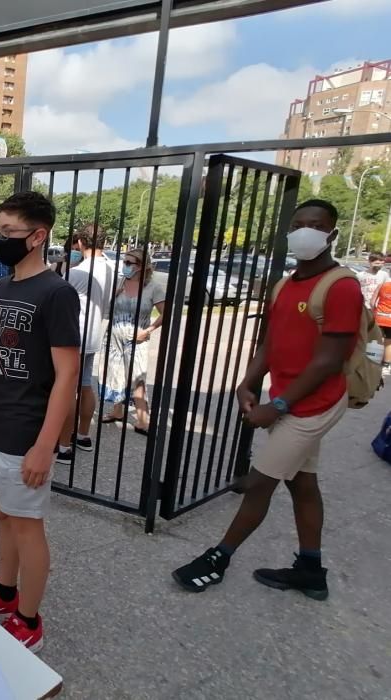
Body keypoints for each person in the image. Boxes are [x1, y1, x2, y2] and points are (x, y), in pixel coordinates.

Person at [172, 199, 361, 601]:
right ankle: (311, 569)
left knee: (259, 483)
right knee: (302, 484)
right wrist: (249, 382)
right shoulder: (285, 284)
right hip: (290, 399)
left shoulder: (341, 286)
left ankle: (217, 559)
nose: (305, 231)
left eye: (316, 225)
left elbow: (330, 360)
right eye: (299, 224)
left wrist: (277, 407)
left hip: (315, 404)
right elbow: (271, 342)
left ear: (332, 234)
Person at [0, 192, 81, 652]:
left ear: (38, 236)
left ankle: (28, 619)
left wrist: (45, 445)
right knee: (3, 514)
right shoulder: (3, 286)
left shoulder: (56, 293)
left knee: (28, 526)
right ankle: (5, 591)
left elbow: (67, 374)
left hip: (27, 433)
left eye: (9, 233)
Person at [55, 224, 115, 462]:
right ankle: (83, 434)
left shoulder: (77, 272)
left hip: (73, 336)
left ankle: (63, 445)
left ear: (80, 242)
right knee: (86, 384)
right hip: (94, 334)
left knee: (67, 388)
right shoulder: (112, 269)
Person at [100, 248, 165, 434]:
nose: (125, 266)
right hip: (114, 337)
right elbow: (108, 309)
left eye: (129, 263)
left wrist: (149, 330)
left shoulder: (153, 287)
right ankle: (117, 411)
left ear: (142, 266)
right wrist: (115, 294)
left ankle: (143, 420)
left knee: (137, 378)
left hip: (137, 340)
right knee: (116, 374)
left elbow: (165, 313)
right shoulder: (121, 282)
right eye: (124, 262)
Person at [374, 272, 391, 376]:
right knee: (389, 342)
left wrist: (375, 312)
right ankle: (386, 365)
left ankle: (372, 361)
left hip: (379, 317)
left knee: (376, 340)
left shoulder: (383, 285)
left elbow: (372, 301)